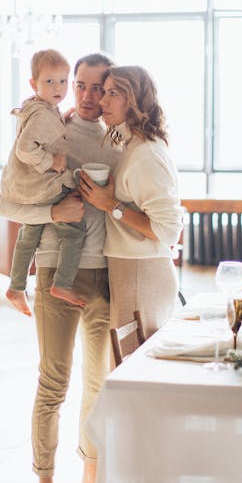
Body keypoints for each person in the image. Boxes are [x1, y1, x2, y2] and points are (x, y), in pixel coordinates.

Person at [0, 52, 119, 483]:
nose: (89, 96)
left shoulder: (117, 142)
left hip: (105, 273)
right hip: (53, 273)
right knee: (54, 384)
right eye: (82, 86)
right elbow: (14, 202)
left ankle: (90, 467)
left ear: (112, 93)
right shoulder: (53, 129)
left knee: (99, 382)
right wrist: (52, 215)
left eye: (99, 88)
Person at [78, 64, 184, 337]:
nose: (102, 100)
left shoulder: (145, 154)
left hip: (141, 274)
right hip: (132, 271)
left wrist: (110, 206)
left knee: (133, 374)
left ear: (134, 100)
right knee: (131, 370)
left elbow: (169, 231)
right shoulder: (135, 146)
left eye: (113, 93)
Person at [0, 49, 86, 316]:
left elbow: (43, 132)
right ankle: (62, 283)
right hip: (42, 185)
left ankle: (16, 287)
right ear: (33, 84)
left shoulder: (41, 108)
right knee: (74, 230)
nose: (58, 87)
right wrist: (51, 162)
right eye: (49, 81)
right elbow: (25, 149)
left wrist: (63, 119)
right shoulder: (41, 114)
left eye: (62, 81)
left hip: (25, 187)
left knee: (29, 235)